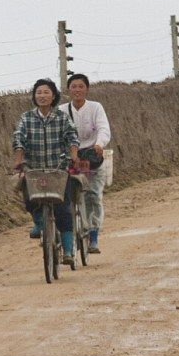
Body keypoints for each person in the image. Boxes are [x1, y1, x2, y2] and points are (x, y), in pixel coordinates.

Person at [12, 78, 80, 264]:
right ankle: (39, 223)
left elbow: (72, 137)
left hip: (58, 169)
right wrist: (18, 159)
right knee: (30, 200)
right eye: (38, 92)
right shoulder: (26, 118)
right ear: (34, 96)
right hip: (34, 169)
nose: (42, 96)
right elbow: (18, 138)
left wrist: (73, 155)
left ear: (53, 96)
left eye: (46, 92)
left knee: (63, 208)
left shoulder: (62, 117)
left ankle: (68, 250)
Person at [59, 74, 111, 254]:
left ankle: (93, 235)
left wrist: (100, 144)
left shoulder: (95, 107)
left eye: (81, 86)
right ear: (68, 89)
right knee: (65, 197)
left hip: (90, 157)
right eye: (74, 86)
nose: (77, 90)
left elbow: (103, 128)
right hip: (69, 158)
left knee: (93, 195)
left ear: (87, 89)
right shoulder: (61, 111)